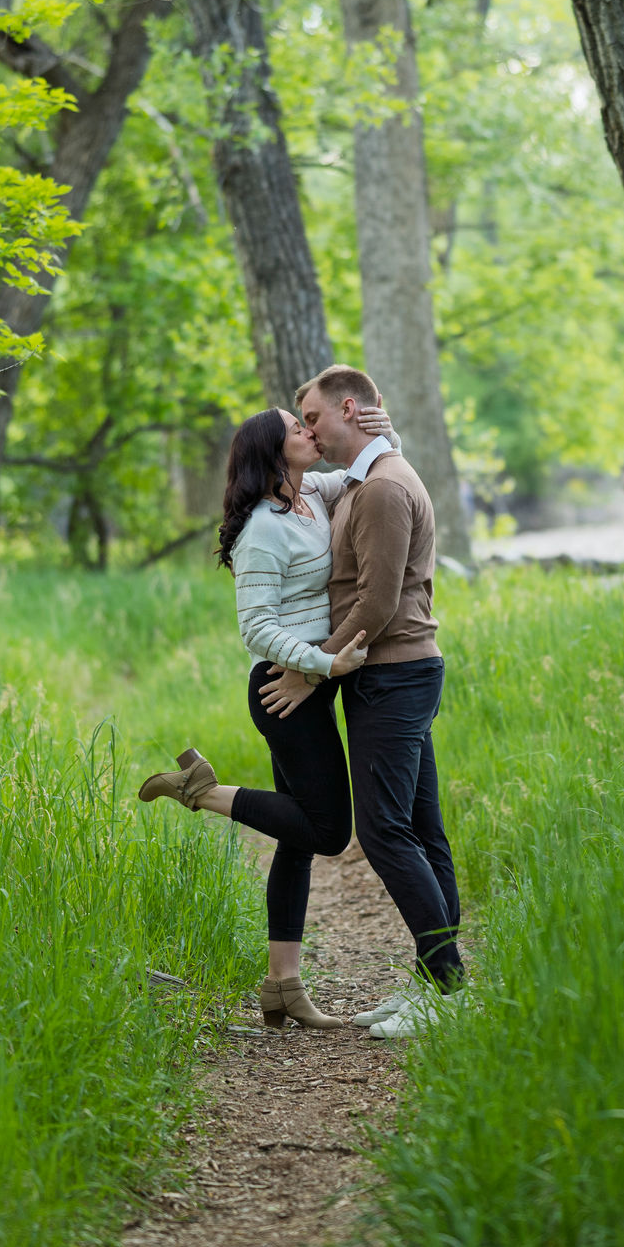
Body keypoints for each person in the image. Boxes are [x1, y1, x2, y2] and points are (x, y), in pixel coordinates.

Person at [135, 399, 394, 1031]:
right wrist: (323, 666)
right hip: (283, 693)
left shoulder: (316, 495)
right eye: (296, 429)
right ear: (272, 453)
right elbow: (256, 627)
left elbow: (373, 465)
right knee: (329, 831)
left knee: (296, 842)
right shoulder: (262, 530)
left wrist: (379, 426)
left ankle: (283, 988)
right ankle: (200, 792)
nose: (310, 432)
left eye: (308, 424)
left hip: (310, 684)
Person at [259, 364, 464, 1040]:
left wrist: (310, 674)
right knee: (421, 829)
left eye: (314, 418)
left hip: (393, 676)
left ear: (349, 407)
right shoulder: (364, 480)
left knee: (385, 833)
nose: (309, 432)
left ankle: (449, 986)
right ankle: (437, 983)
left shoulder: (379, 490)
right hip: (392, 675)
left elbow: (376, 603)